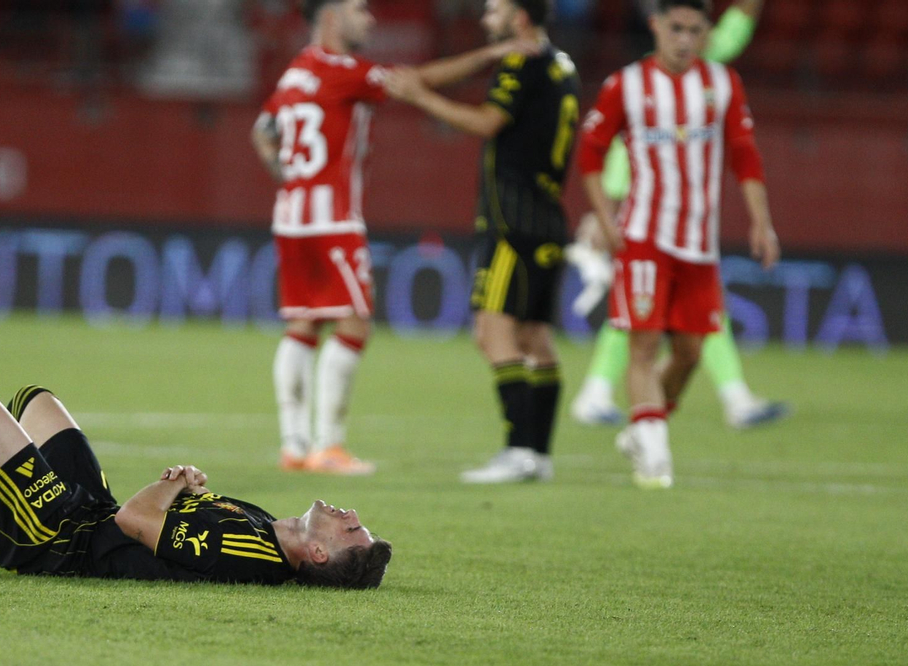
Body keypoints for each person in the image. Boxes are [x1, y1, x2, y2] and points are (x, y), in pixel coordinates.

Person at [0, 370, 394, 588]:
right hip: (90, 512)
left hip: (58, 540)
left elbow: (137, 519)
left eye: (350, 529)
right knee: (33, 400)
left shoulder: (252, 554)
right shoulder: (266, 528)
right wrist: (185, 489)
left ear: (317, 553)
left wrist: (171, 484)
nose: (348, 513)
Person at [251, 0, 524, 475]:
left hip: (290, 216)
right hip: (332, 221)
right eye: (360, 9)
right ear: (332, 17)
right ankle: (329, 446)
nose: (371, 19)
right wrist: (489, 55)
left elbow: (262, 130)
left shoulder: (295, 73)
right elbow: (418, 81)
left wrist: (287, 173)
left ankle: (294, 446)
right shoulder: (346, 71)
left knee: (303, 325)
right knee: (354, 324)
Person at [576, 0, 780, 488]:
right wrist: (607, 220)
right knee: (643, 345)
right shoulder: (627, 84)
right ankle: (655, 459)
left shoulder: (722, 84)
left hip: (699, 245)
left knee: (689, 352)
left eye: (694, 29)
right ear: (656, 27)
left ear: (707, 32)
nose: (684, 39)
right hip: (644, 238)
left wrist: (761, 221)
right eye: (676, 28)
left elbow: (745, 156)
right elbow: (589, 152)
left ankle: (642, 427)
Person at [385, 0, 581, 484]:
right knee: (535, 337)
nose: (485, 17)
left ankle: (517, 451)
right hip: (549, 218)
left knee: (491, 332)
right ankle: (538, 454)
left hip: (511, 222)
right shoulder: (562, 64)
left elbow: (487, 122)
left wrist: (420, 97)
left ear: (518, 17)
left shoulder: (520, 63)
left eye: (495, 10)